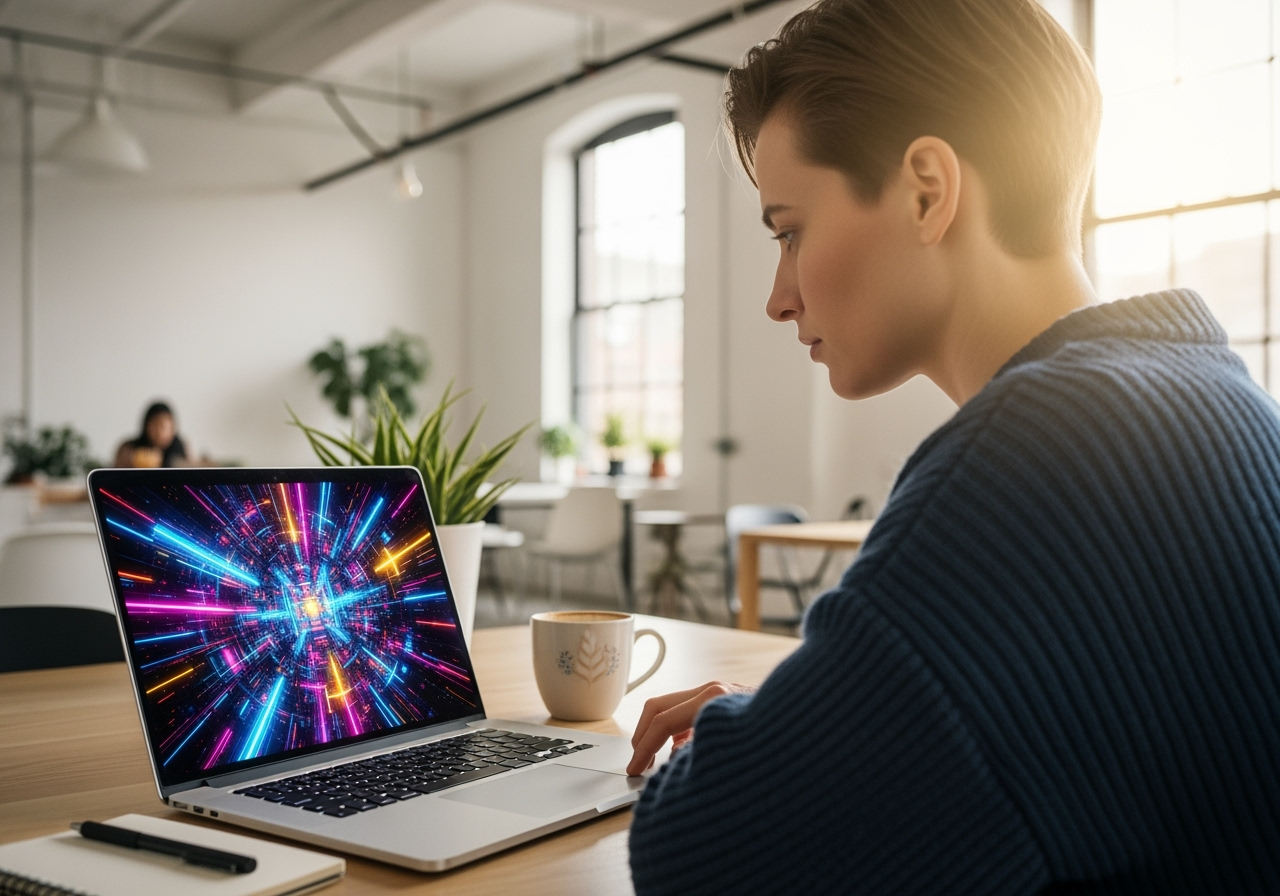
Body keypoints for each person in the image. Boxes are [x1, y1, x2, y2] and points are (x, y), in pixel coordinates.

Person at [626, 0, 1280, 893]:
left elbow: (703, 857)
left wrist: (749, 757)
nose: (779, 298)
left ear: (928, 189)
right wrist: (798, 727)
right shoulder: (1212, 396)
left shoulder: (1035, 458)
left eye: (791, 232)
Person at [113, 402, 189, 468]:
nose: (159, 432)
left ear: (172, 428)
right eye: (154, 425)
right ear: (146, 426)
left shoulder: (181, 449)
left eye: (163, 426)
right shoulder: (129, 448)